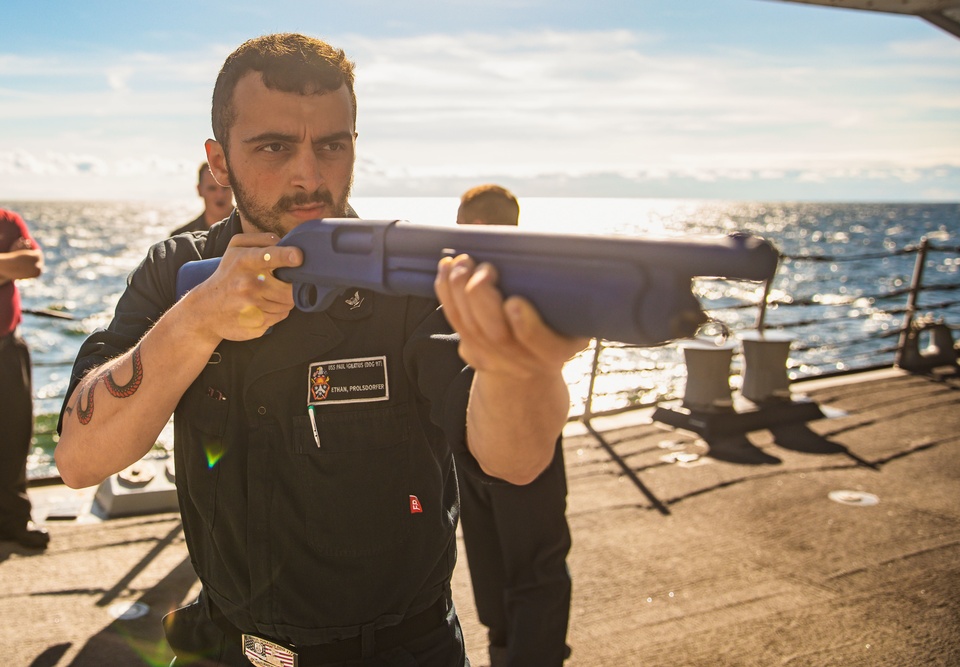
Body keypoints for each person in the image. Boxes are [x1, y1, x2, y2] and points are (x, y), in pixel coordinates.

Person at [55, 33, 584, 667]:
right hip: (226, 647)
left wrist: (518, 365)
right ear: (218, 162)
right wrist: (194, 323)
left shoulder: (409, 279)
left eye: (332, 145)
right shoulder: (177, 269)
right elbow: (79, 460)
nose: (309, 176)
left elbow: (514, 460)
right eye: (273, 147)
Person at [455, 184, 572, 666]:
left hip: (506, 434)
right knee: (514, 560)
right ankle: (513, 652)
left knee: (522, 561)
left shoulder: (474, 284)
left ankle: (517, 652)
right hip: (485, 432)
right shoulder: (530, 284)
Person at [0, 208, 48, 550]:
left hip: (7, 346)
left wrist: (18, 262)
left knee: (15, 434)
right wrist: (7, 263)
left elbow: (32, 265)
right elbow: (17, 265)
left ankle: (15, 520)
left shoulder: (8, 220)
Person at [170, 162, 235, 236]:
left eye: (225, 187)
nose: (220, 195)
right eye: (212, 188)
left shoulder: (249, 229)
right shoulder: (180, 239)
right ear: (199, 190)